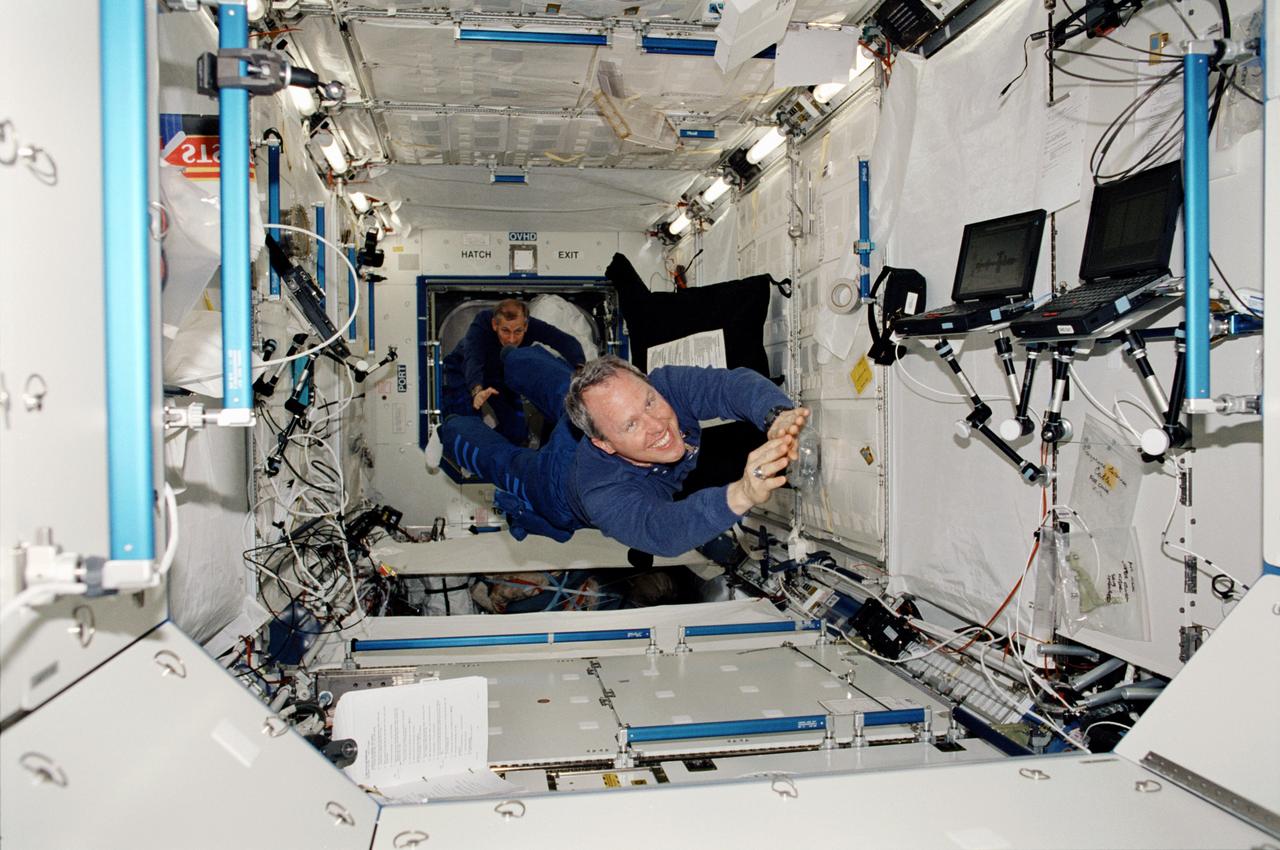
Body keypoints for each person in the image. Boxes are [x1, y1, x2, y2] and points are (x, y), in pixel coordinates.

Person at [439, 347, 808, 557]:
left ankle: (504, 358)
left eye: (650, 403)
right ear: (604, 442)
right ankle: (449, 426)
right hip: (557, 485)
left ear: (649, 386)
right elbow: (661, 530)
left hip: (598, 423)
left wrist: (774, 414)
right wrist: (741, 493)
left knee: (547, 374)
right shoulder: (601, 489)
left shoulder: (664, 387)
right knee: (503, 462)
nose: (658, 425)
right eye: (631, 424)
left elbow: (728, 387)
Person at [440, 298, 586, 445]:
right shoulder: (482, 323)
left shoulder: (530, 325)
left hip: (498, 376)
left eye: (518, 332)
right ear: (494, 325)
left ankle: (494, 455)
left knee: (517, 433)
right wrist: (477, 390)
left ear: (526, 326)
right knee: (466, 427)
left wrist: (580, 371)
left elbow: (565, 341)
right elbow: (473, 358)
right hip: (463, 373)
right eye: (505, 331)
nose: (511, 339)